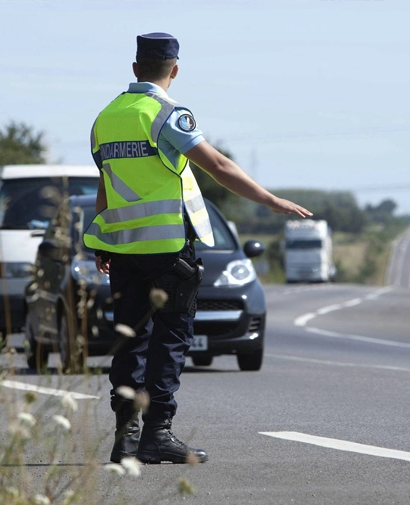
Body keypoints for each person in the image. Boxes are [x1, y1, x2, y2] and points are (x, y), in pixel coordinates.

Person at [84, 32, 312, 465]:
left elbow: (106, 186)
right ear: (174, 69)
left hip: (126, 251)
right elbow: (219, 166)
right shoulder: (167, 114)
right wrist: (271, 200)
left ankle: (125, 437)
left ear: (135, 69)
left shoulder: (104, 118)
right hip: (170, 250)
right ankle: (156, 434)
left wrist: (103, 239)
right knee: (170, 339)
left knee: (130, 340)